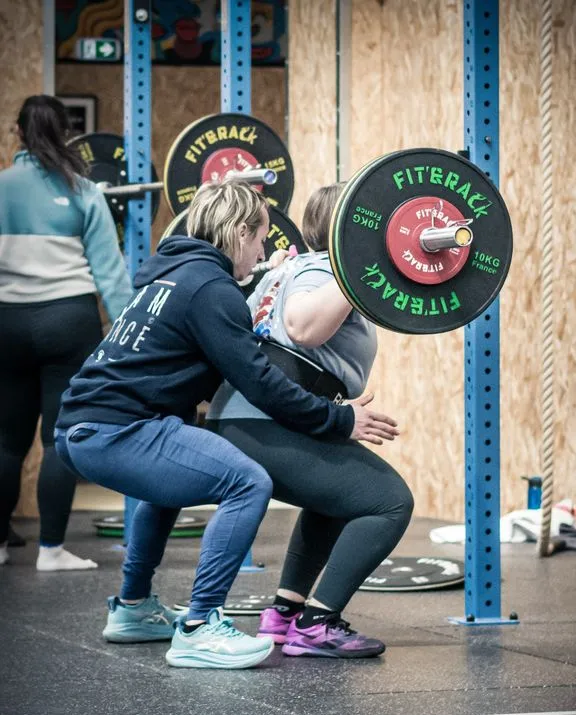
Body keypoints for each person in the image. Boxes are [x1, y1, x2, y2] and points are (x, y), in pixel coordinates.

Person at [54, 180, 398, 670]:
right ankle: (199, 627)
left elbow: (212, 314)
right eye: (260, 238)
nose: (265, 248)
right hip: (118, 430)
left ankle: (133, 610)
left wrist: (257, 281)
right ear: (239, 233)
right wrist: (338, 419)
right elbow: (259, 382)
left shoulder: (172, 275)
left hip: (79, 428)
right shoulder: (210, 289)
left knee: (168, 485)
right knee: (246, 481)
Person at [206, 183, 414, 659]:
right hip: (267, 419)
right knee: (388, 502)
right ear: (350, 232)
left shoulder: (289, 269)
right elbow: (302, 327)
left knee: (336, 497)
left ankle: (283, 613)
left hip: (244, 416)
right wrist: (360, 265)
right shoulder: (326, 269)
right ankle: (317, 624)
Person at [0, 95, 133, 571]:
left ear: (18, 133)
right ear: (65, 134)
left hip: (7, 324)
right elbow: (111, 275)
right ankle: (51, 551)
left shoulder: (1, 187)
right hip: (68, 322)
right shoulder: (82, 191)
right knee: (59, 438)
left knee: (6, 441)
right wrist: (127, 335)